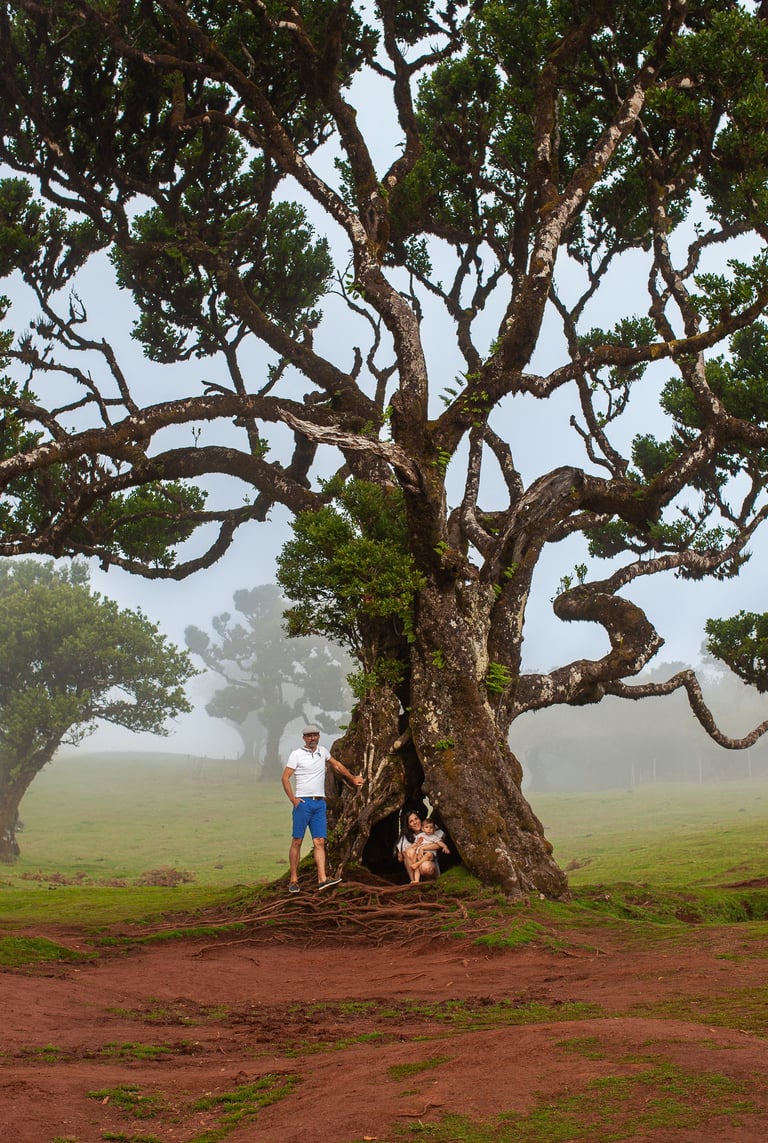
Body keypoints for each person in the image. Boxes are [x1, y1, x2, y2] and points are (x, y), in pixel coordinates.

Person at [281, 724, 363, 893]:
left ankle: (322, 879)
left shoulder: (323, 752)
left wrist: (353, 778)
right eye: (309, 736)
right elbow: (285, 778)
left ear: (318, 736)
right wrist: (293, 799)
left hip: (319, 803)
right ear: (304, 738)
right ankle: (294, 880)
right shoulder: (296, 755)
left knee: (319, 841)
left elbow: (337, 765)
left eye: (315, 735)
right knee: (297, 840)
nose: (312, 738)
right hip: (303, 803)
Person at [396, 809, 449, 883]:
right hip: (416, 864)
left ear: (420, 819)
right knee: (409, 851)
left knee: (426, 867)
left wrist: (422, 847)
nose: (415, 822)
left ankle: (430, 881)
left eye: (416, 819)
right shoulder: (407, 837)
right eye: (411, 821)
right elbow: (402, 858)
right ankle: (414, 881)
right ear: (409, 826)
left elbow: (439, 844)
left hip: (429, 862)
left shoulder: (429, 828)